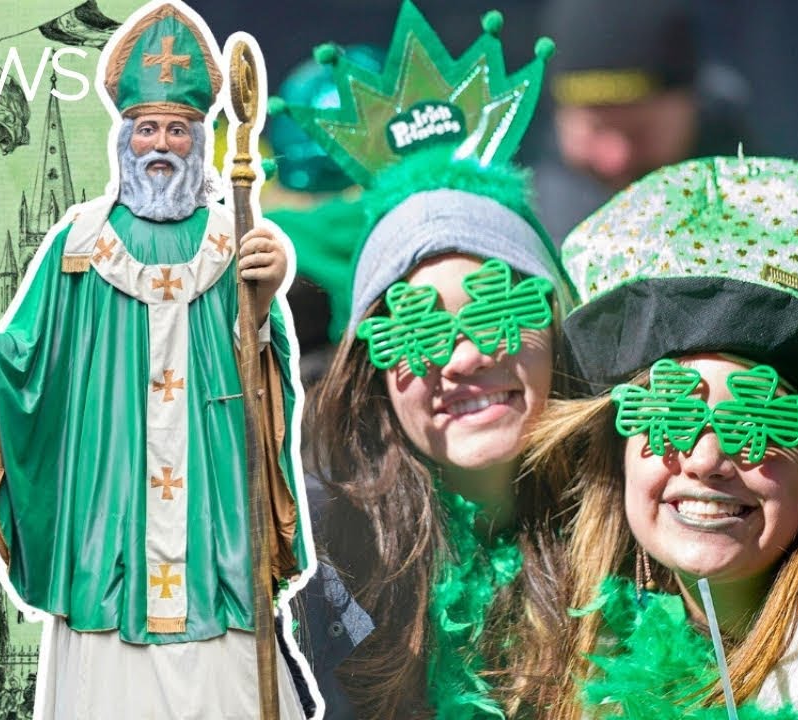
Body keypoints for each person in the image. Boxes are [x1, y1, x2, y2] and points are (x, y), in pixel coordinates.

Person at [0, 2, 309, 716]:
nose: (162, 144)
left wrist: (267, 289)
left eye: (178, 130)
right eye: (148, 128)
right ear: (125, 139)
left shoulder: (233, 241)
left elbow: (262, 369)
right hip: (111, 498)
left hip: (213, 499)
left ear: (200, 140)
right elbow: (31, 351)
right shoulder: (81, 242)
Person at [282, 4, 575, 717]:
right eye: (415, 328)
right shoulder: (313, 571)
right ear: (371, 375)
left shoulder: (640, 536)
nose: (464, 358)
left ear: (556, 325)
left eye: (495, 309)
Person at [528, 156, 798, 719]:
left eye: (756, 420)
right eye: (671, 411)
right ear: (616, 448)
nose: (706, 459)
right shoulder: (542, 648)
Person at [533, 0, 755, 242]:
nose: (616, 159)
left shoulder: (758, 206)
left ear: (692, 104)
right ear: (559, 116)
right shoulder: (528, 233)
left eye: (639, 133)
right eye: (595, 130)